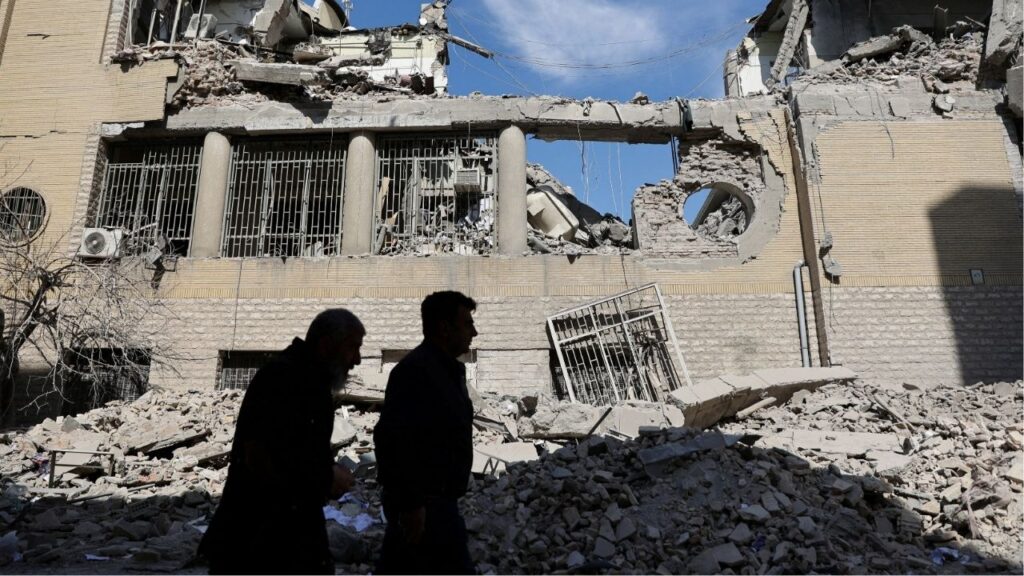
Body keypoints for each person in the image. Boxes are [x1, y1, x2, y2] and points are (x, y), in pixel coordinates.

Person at [198, 309, 365, 575]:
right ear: (326, 344)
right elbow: (260, 457)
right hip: (259, 542)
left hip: (288, 535)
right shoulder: (283, 378)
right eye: (352, 348)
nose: (356, 359)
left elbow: (296, 450)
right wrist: (325, 477)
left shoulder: (311, 382)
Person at [374, 291, 478, 575]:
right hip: (423, 508)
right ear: (445, 328)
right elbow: (392, 441)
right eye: (467, 324)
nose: (475, 332)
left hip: (439, 505)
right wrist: (410, 505)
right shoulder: (416, 372)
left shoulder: (448, 372)